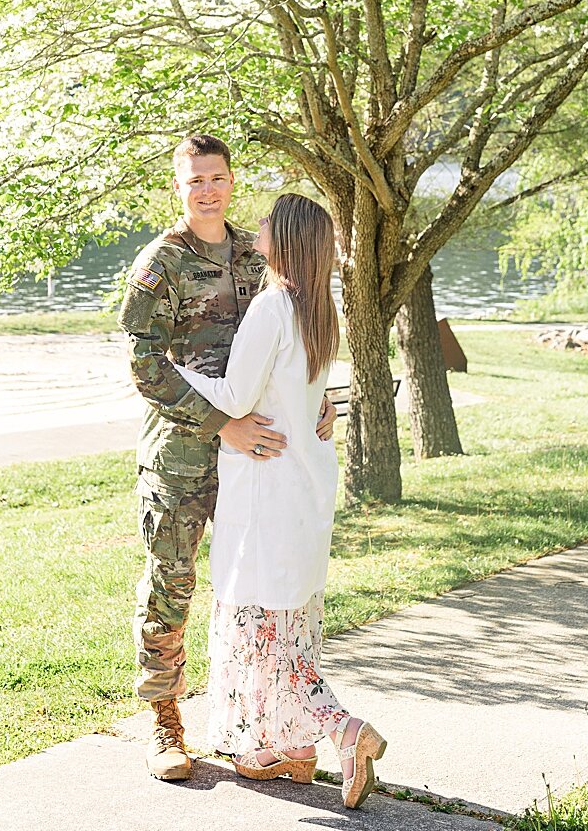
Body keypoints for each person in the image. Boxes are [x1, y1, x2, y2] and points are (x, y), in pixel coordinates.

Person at [119, 134, 337, 781]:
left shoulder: (259, 250)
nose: (207, 190)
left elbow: (302, 335)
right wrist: (222, 423)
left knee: (255, 595)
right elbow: (143, 363)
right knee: (172, 587)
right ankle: (165, 724)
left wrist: (321, 401)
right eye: (195, 181)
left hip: (258, 466)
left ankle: (260, 726)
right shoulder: (161, 263)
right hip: (183, 458)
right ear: (178, 187)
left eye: (216, 178)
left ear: (231, 180)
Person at [174, 192, 387, 809]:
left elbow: (237, 397)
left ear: (286, 239)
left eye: (267, 221)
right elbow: (309, 396)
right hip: (305, 486)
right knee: (289, 625)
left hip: (267, 489)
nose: (257, 225)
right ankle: (288, 747)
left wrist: (178, 369)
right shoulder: (321, 308)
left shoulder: (271, 307)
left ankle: (348, 733)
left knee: (261, 625)